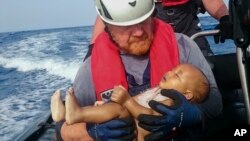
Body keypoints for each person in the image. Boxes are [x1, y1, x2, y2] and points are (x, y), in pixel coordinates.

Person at [56, 0, 222, 141]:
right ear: (108, 27)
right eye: (127, 26)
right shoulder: (90, 68)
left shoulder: (184, 47)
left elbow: (215, 103)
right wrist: (92, 133)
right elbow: (62, 128)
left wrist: (193, 114)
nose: (138, 32)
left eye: (144, 21)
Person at [51, 64, 209, 141]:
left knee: (119, 111)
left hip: (133, 135)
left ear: (187, 95)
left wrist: (126, 100)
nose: (169, 72)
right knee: (114, 109)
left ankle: (77, 113)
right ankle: (67, 114)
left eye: (177, 76)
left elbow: (149, 117)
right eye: (173, 70)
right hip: (115, 128)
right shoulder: (157, 91)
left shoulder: (171, 104)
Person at [90, 0, 232, 56]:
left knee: (209, 69)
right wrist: (93, 48)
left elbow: (213, 2)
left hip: (190, 34)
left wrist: (225, 18)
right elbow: (110, 13)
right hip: (151, 37)